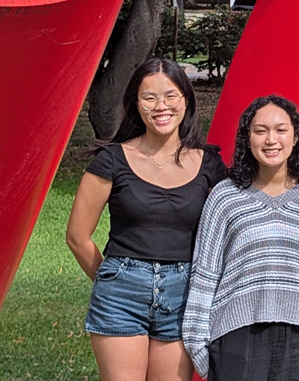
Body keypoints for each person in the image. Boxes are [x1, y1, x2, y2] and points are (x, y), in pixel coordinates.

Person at [65, 58, 227, 381]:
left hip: (184, 295)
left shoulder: (209, 165)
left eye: (170, 96)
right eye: (149, 98)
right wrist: (113, 279)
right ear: (136, 105)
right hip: (120, 296)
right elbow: (77, 236)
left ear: (186, 100)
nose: (160, 106)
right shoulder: (112, 160)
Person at [182, 95, 299, 381]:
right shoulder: (225, 196)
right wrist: (197, 344)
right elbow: (205, 273)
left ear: (296, 138)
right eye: (260, 130)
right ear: (248, 138)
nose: (271, 139)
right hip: (235, 339)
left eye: (281, 130)